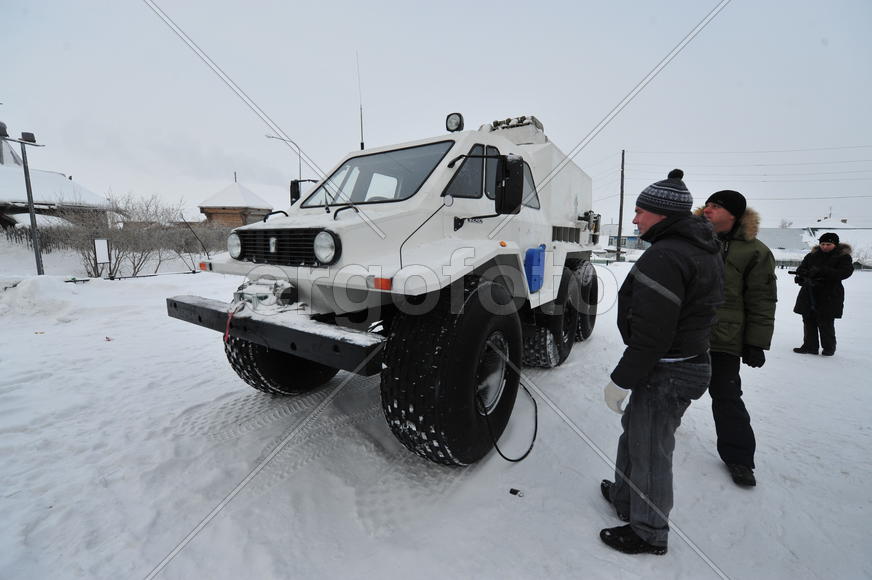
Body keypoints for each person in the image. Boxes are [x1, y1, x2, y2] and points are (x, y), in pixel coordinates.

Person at [600, 169, 724, 555]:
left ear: (661, 214)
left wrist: (621, 379)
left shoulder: (667, 255)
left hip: (669, 367)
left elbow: (654, 333)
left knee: (651, 448)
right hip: (678, 361)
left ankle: (649, 530)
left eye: (640, 211)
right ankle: (624, 496)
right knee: (635, 432)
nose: (634, 219)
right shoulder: (696, 246)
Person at [700, 190, 777, 488]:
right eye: (707, 204)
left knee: (726, 395)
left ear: (733, 215)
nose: (708, 209)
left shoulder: (755, 252)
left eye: (716, 206)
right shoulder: (692, 241)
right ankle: (657, 435)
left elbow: (762, 299)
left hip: (725, 338)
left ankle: (739, 458)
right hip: (686, 332)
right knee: (668, 387)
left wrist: (755, 341)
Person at [792, 232, 853, 356]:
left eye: (828, 244)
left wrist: (823, 271)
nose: (825, 246)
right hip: (809, 292)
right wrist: (802, 275)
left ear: (835, 244)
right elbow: (802, 268)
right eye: (822, 244)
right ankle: (810, 346)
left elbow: (845, 272)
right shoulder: (812, 255)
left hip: (829, 294)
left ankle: (829, 348)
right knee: (808, 319)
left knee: (825, 321)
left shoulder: (843, 257)